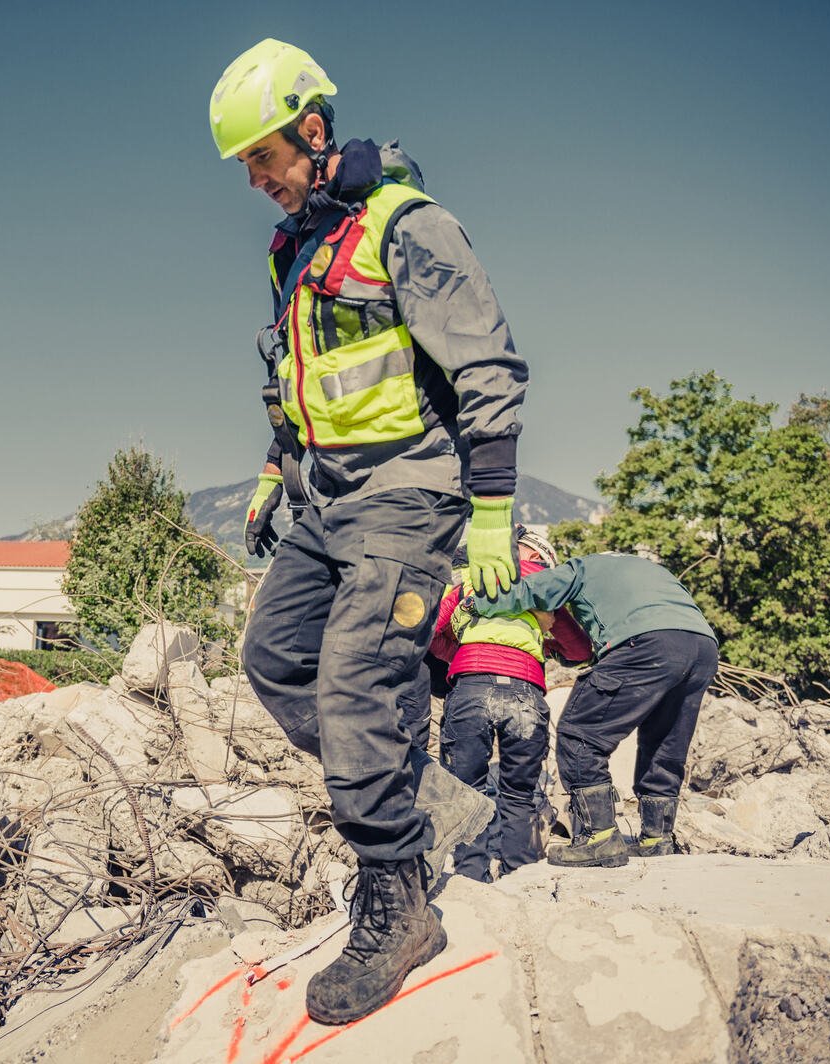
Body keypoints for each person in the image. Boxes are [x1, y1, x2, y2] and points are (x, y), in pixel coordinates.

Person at [211, 39, 528, 1024]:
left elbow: (489, 369)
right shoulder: (293, 248)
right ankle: (426, 795)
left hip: (414, 496)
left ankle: (398, 899)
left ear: (313, 128)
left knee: (358, 674)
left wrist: (494, 517)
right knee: (273, 658)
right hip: (332, 503)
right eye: (244, 168)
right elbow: (298, 382)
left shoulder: (406, 224)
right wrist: (273, 470)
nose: (256, 180)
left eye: (263, 156)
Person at [464, 551, 719, 867]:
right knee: (665, 741)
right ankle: (657, 838)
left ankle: (599, 839)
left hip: (646, 642)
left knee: (580, 733)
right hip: (703, 647)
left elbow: (531, 591)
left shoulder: (581, 567)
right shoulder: (652, 571)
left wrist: (477, 604)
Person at [430, 527, 593, 882]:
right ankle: (518, 876)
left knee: (466, 790)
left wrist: (463, 653)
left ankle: (470, 877)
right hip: (524, 692)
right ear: (539, 557)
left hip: (471, 686)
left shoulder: (474, 577)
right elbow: (580, 650)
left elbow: (430, 630)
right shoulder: (545, 585)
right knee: (518, 793)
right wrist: (547, 646)